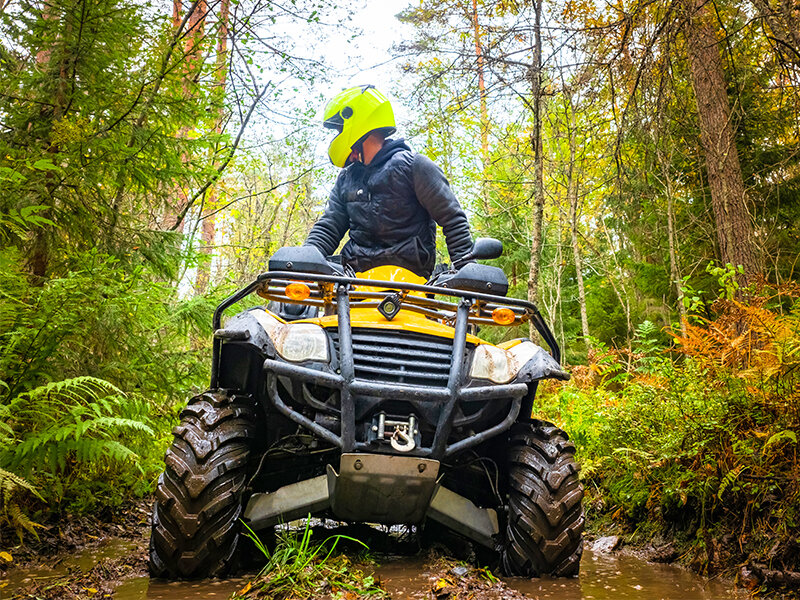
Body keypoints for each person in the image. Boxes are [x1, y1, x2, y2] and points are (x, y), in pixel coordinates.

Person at [304, 85, 474, 279]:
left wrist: (465, 269)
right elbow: (330, 225)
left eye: (339, 129)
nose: (338, 136)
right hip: (352, 281)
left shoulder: (414, 167)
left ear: (357, 121)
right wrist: (306, 256)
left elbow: (452, 219)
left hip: (411, 283)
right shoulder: (346, 178)